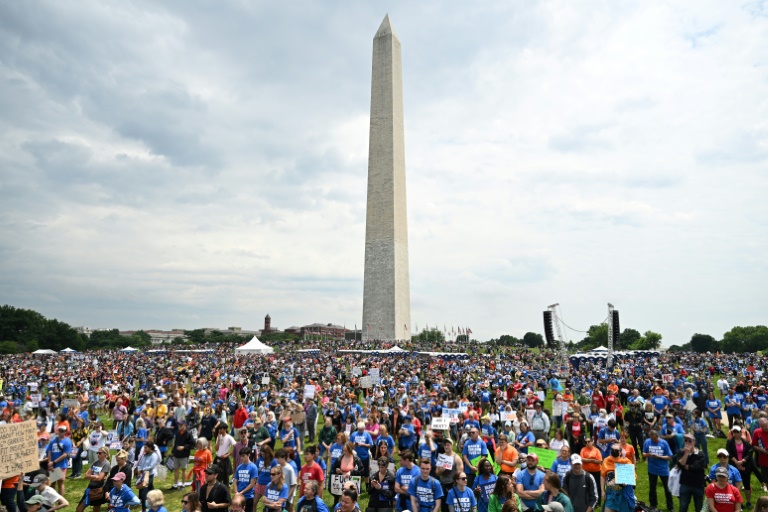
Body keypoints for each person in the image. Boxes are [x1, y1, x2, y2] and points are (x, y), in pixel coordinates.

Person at [672, 433, 707, 512]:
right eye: (686, 440)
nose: (687, 443)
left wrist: (686, 466)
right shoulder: (681, 452)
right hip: (685, 484)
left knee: (699, 508)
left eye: (690, 441)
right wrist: (686, 453)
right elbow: (680, 464)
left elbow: (697, 467)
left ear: (694, 442)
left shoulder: (700, 454)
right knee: (683, 508)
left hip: (698, 485)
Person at [726, 427, 759, 508]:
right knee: (735, 485)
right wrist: (737, 462)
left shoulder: (746, 443)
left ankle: (748, 502)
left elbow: (749, 454)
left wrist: (743, 461)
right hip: (734, 466)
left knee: (747, 484)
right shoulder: (730, 442)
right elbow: (729, 453)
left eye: (737, 432)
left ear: (741, 433)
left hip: (745, 466)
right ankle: (737, 502)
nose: (735, 434)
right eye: (734, 432)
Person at [642, 429, 674, 512]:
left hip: (663, 469)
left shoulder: (664, 443)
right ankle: (653, 505)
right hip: (652, 469)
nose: (653, 440)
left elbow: (669, 456)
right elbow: (643, 454)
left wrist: (659, 457)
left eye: (654, 439)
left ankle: (670, 506)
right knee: (652, 488)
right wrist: (648, 454)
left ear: (657, 436)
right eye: (652, 439)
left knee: (667, 488)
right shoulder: (647, 442)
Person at [76, 446, 111, 512]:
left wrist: (92, 476)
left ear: (105, 454)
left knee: (96, 510)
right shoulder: (95, 462)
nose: (98, 454)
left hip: (99, 489)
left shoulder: (106, 464)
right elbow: (86, 475)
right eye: (97, 453)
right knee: (79, 509)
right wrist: (95, 476)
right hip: (90, 488)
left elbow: (99, 478)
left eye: (100, 453)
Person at [45, 425, 72, 495]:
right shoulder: (53, 440)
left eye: (62, 431)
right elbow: (49, 452)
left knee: (60, 483)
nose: (60, 432)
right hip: (53, 465)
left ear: (65, 432)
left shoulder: (67, 441)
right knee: (52, 483)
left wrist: (53, 462)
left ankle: (61, 499)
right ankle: (53, 498)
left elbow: (65, 454)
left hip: (61, 465)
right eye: (59, 430)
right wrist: (50, 463)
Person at [135, 441, 160, 512]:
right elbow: (140, 463)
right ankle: (155, 503)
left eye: (146, 448)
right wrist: (139, 469)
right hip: (142, 475)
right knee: (150, 490)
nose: (144, 449)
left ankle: (144, 509)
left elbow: (151, 466)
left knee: (144, 493)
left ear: (150, 447)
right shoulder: (144, 455)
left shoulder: (154, 455)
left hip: (149, 475)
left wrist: (142, 469)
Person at [233, 447, 258, 512]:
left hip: (248, 496)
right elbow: (235, 481)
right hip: (239, 497)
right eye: (240, 456)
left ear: (248, 455)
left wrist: (241, 493)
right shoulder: (239, 467)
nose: (241, 458)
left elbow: (252, 484)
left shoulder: (253, 467)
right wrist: (236, 492)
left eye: (243, 456)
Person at [174, 420, 196, 490]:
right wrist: (173, 451)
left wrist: (184, 447)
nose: (180, 426)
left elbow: (192, 444)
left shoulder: (188, 433)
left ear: (185, 425)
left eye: (181, 424)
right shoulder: (177, 432)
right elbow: (175, 443)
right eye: (179, 424)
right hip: (176, 454)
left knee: (183, 470)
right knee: (176, 469)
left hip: (184, 455)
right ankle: (175, 484)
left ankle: (183, 484)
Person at [579, 438, 603, 504]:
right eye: (586, 442)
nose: (587, 443)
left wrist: (587, 460)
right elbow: (581, 459)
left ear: (592, 442)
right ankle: (587, 500)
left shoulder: (596, 450)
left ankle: (598, 502)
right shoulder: (583, 449)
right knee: (586, 486)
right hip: (586, 471)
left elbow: (600, 461)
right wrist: (592, 460)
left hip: (596, 471)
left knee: (597, 486)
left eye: (588, 441)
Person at [255, 445, 278, 510]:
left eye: (264, 454)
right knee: (254, 502)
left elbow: (275, 473)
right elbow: (256, 470)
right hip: (259, 483)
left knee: (267, 504)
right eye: (262, 454)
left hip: (269, 484)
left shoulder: (273, 461)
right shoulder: (259, 459)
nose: (263, 456)